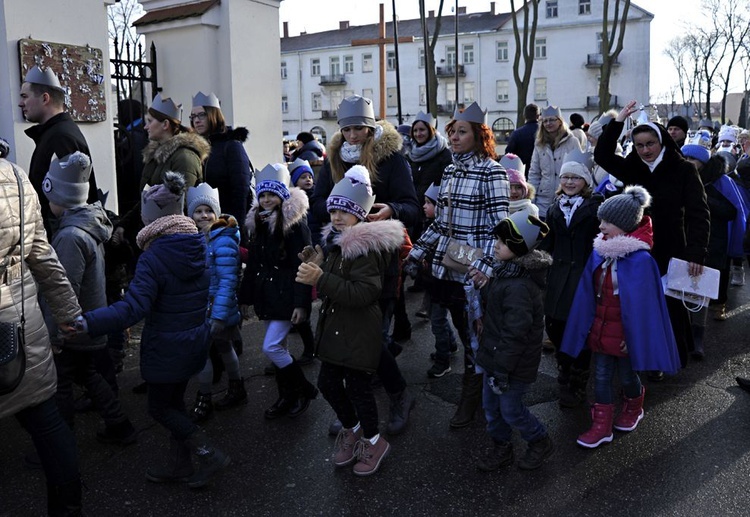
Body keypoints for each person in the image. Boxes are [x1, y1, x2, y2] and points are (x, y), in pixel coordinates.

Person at [75, 172, 230, 488]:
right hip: (193, 340)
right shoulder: (197, 242)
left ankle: (208, 452)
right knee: (174, 404)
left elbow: (133, 308)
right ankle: (179, 464)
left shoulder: (154, 256)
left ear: (151, 219)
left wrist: (88, 322)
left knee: (159, 407)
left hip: (167, 345)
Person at [310, 94, 419, 435]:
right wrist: (330, 226)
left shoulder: (392, 160)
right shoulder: (333, 160)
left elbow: (411, 206)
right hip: (341, 259)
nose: (353, 136)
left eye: (359, 129)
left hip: (378, 261)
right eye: (348, 130)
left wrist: (391, 210)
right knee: (349, 335)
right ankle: (354, 412)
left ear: (371, 130)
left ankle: (399, 394)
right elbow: (318, 204)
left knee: (374, 337)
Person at [296, 165, 406, 476]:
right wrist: (316, 262)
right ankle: (353, 428)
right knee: (327, 383)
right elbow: (336, 277)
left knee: (359, 388)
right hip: (336, 328)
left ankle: (373, 440)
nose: (336, 218)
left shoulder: (363, 247)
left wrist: (322, 277)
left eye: (345, 212)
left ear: (359, 214)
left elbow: (363, 293)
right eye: (333, 211)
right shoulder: (337, 241)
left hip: (358, 330)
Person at [408, 101, 510, 428]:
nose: (453, 137)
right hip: (446, 265)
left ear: (479, 136)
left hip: (474, 270)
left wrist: (489, 267)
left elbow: (502, 227)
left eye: (461, 131)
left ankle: (474, 395)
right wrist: (416, 252)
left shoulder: (492, 171)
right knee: (462, 330)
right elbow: (440, 223)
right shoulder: (450, 170)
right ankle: (480, 389)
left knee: (473, 335)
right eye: (452, 131)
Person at [593, 100, 710, 370]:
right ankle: (642, 356)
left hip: (672, 246)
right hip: (637, 248)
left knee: (670, 306)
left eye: (650, 144)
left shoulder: (684, 169)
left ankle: (669, 357)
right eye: (639, 145)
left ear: (662, 142)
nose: (645, 150)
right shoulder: (632, 167)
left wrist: (696, 252)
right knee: (639, 304)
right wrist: (619, 120)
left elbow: (699, 214)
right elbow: (602, 156)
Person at [561, 186, 681, 448]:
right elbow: (588, 296)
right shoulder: (599, 252)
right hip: (602, 329)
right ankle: (601, 425)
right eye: (601, 220)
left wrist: (633, 336)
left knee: (627, 376)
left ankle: (634, 405)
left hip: (625, 335)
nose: (601, 226)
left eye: (608, 222)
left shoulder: (641, 260)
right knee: (601, 376)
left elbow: (645, 308)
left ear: (626, 225)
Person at [0, 145, 84, 514]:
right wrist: (68, 312)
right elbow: (42, 255)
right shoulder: (17, 178)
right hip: (20, 325)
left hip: (16, 322)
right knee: (46, 422)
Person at [40, 152, 137, 444]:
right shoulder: (88, 225)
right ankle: (120, 426)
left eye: (50, 197)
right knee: (90, 374)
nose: (47, 203)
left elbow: (64, 287)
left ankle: (61, 443)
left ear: (60, 197)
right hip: (89, 321)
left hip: (72, 327)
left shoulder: (70, 236)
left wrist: (57, 333)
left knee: (60, 384)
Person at [475, 211, 554, 472]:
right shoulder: (508, 272)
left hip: (511, 364)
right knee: (491, 407)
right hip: (496, 357)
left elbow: (515, 333)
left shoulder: (520, 286)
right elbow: (500, 306)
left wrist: (502, 370)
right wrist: (485, 285)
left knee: (510, 409)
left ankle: (539, 440)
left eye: (503, 242)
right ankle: (501, 446)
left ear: (518, 248)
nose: (496, 245)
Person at [239, 163, 318, 419]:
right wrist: (245, 299)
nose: (266, 200)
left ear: (282, 196)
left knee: (272, 347)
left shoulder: (295, 226)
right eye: (262, 195)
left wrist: (301, 304)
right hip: (268, 296)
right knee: (279, 348)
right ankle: (287, 396)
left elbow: (304, 266)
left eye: (271, 195)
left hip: (286, 296)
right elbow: (253, 264)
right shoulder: (259, 224)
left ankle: (304, 389)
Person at [538, 152, 604, 408]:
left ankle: (578, 378)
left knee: (581, 328)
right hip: (558, 276)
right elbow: (549, 241)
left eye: (575, 177)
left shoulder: (596, 207)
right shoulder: (555, 207)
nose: (569, 181)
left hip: (583, 276)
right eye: (565, 176)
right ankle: (564, 365)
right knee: (554, 325)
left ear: (586, 180)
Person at [113, 94, 210, 247]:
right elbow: (146, 199)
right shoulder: (155, 155)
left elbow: (179, 207)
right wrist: (124, 224)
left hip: (173, 240)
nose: (145, 127)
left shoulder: (184, 157)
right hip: (154, 236)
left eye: (150, 122)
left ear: (165, 124)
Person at [186, 183, 246, 422]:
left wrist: (220, 314)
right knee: (220, 349)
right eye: (197, 211)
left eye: (208, 211)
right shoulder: (194, 237)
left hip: (217, 306)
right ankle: (235, 387)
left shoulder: (223, 240)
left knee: (208, 352)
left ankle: (205, 397)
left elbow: (228, 279)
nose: (203, 215)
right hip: (202, 305)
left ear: (216, 213)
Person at [682, 144, 745, 354]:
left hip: (711, 242)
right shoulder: (679, 177)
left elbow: (731, 211)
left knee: (699, 291)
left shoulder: (720, 181)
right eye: (686, 158)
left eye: (693, 159)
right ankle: (682, 336)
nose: (689, 162)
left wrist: (703, 198)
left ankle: (697, 337)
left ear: (703, 162)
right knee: (678, 289)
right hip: (682, 240)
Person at [19, 65, 98, 232]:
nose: (21, 103)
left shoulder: (61, 137)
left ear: (45, 98)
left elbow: (69, 201)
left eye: (25, 96)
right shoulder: (54, 133)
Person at [190, 92, 253, 224]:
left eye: (202, 115)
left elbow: (240, 191)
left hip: (226, 223)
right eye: (193, 116)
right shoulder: (194, 147)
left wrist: (235, 226)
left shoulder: (231, 146)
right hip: (201, 223)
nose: (196, 120)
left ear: (213, 115)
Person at [528, 105, 584, 217]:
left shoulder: (572, 141)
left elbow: (580, 170)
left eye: (552, 120)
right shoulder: (539, 144)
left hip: (566, 198)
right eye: (545, 121)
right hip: (543, 200)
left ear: (560, 121)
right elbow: (534, 173)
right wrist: (531, 200)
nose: (548, 123)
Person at [505, 103, 540, 168]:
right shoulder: (545, 132)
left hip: (522, 170)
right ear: (538, 116)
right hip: (542, 172)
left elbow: (508, 154)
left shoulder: (516, 133)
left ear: (524, 116)